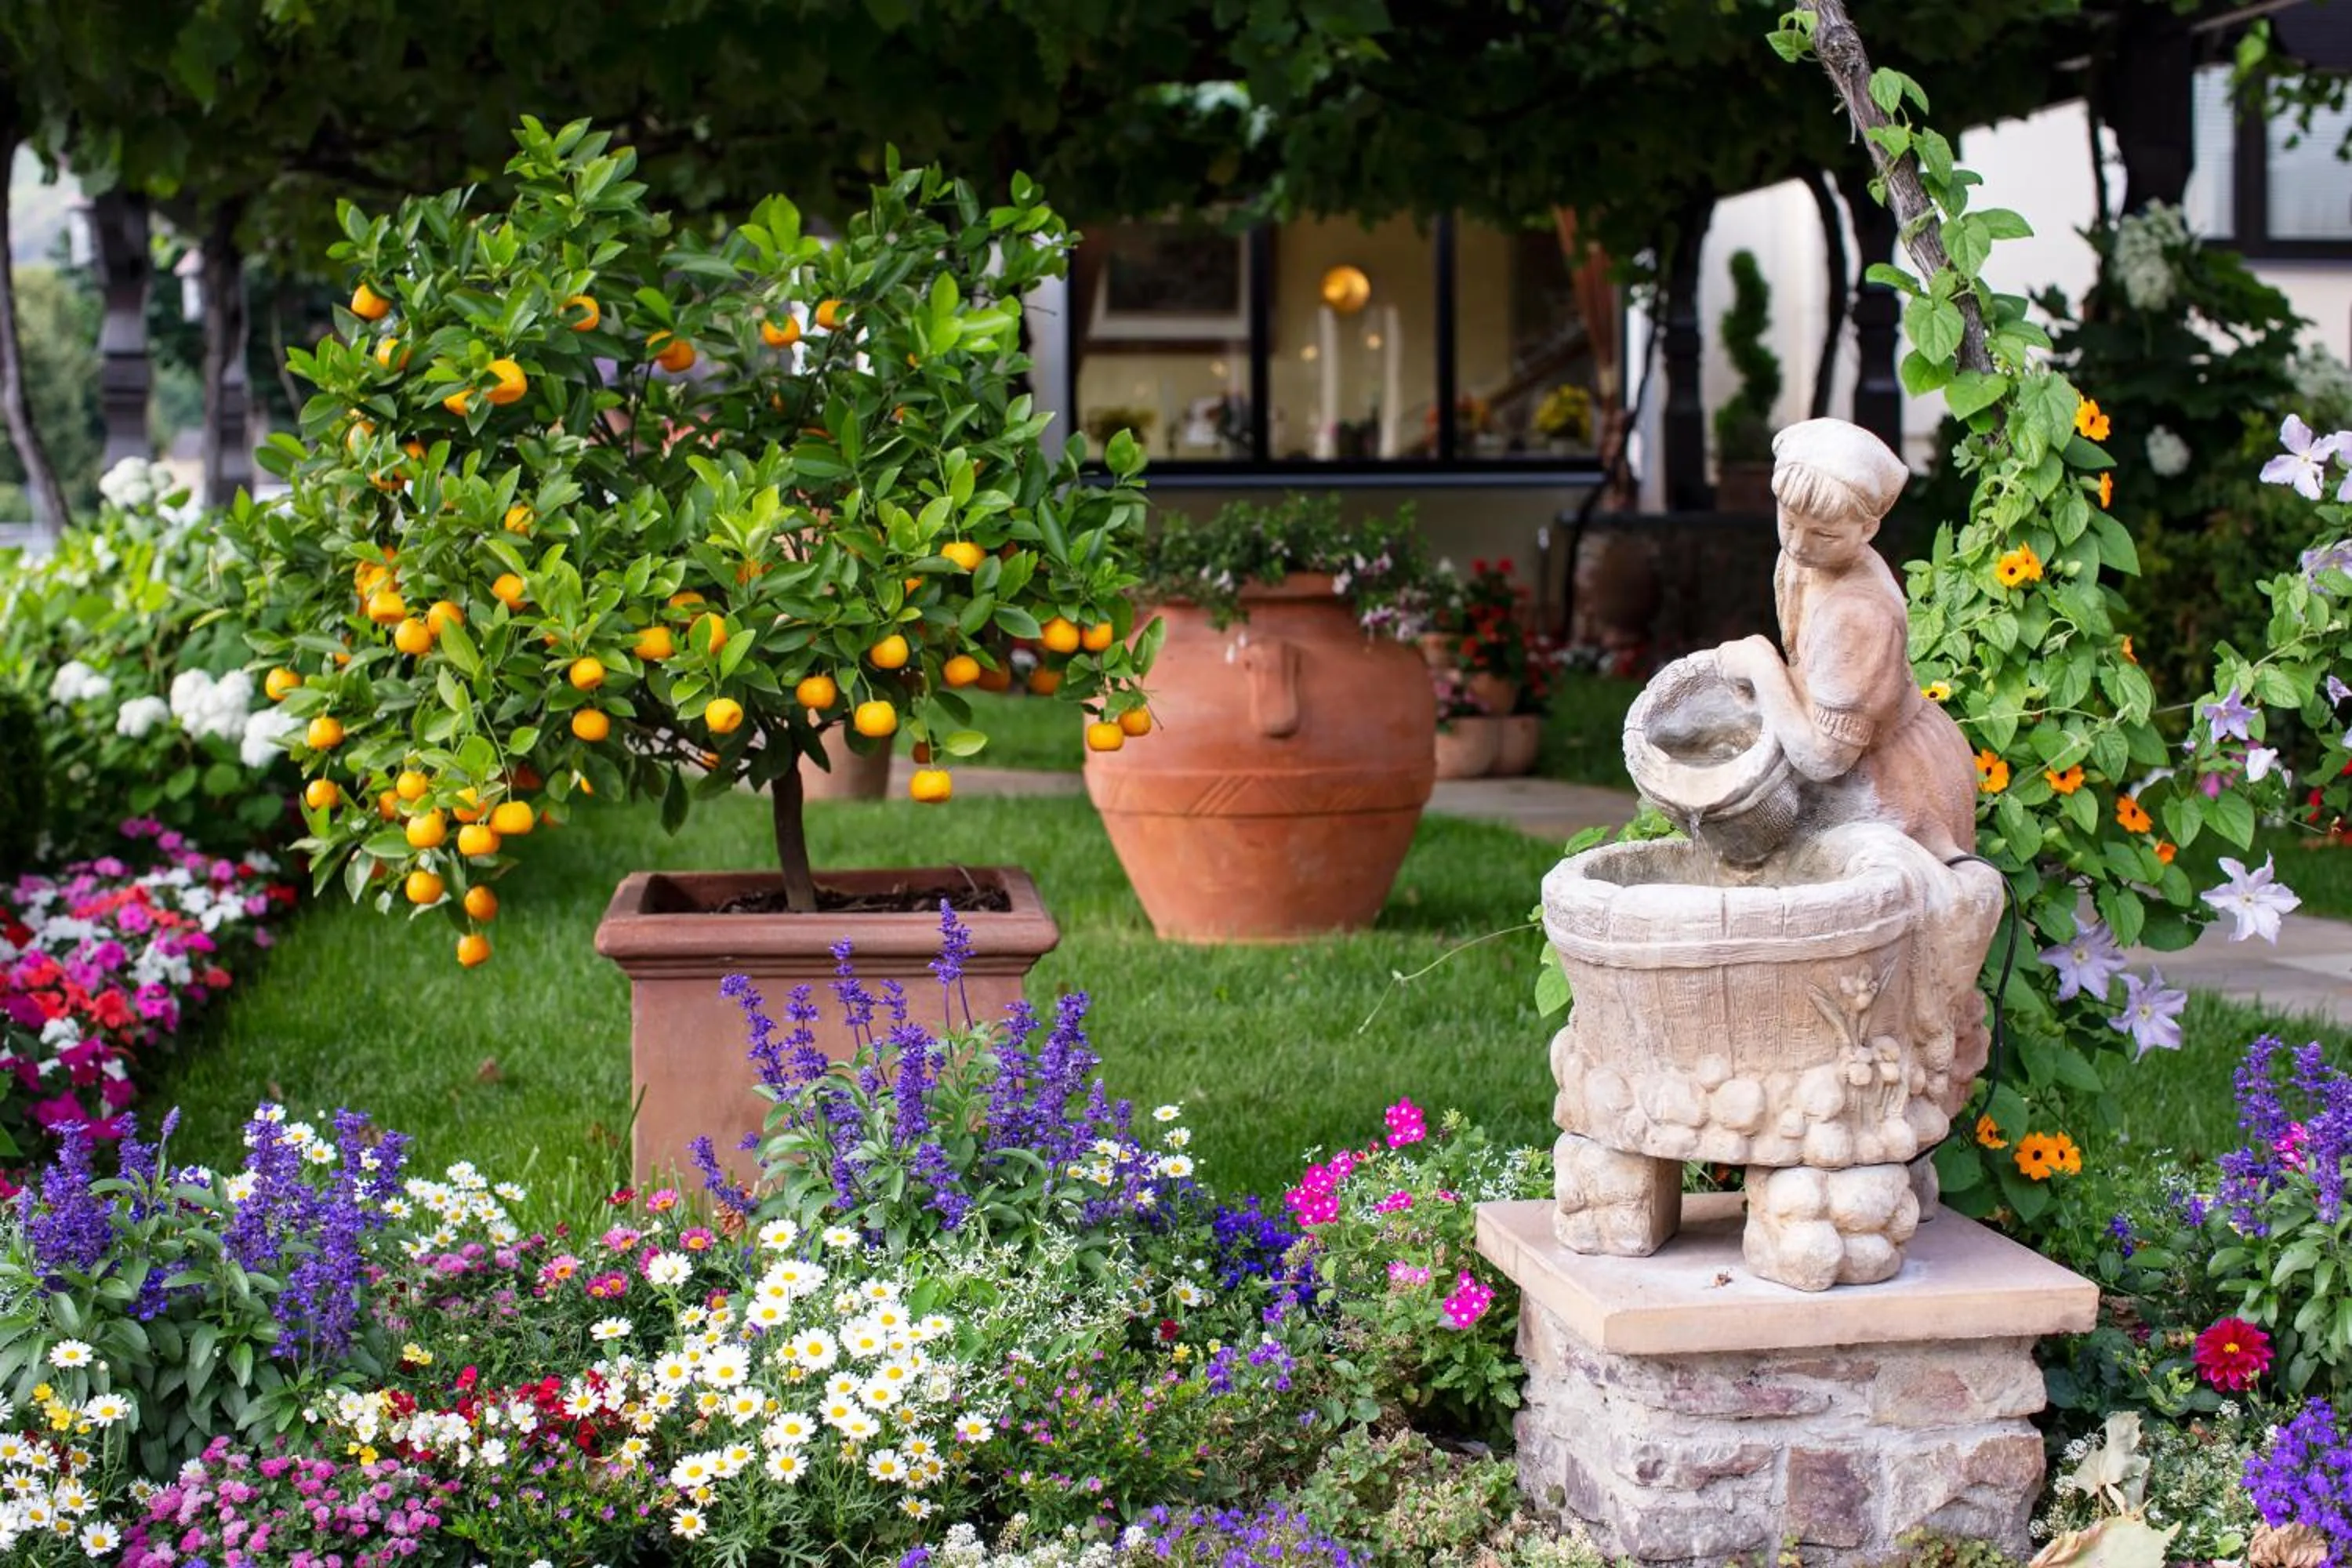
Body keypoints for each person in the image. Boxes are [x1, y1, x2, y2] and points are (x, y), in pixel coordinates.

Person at [1713, 418, 1976, 862]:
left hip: (1889, 782)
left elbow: (1825, 757)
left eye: (1824, 535)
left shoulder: (1857, 614)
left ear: (1868, 531)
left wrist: (1761, 665)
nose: (1799, 544)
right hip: (1841, 752)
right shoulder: (1803, 563)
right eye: (1789, 522)